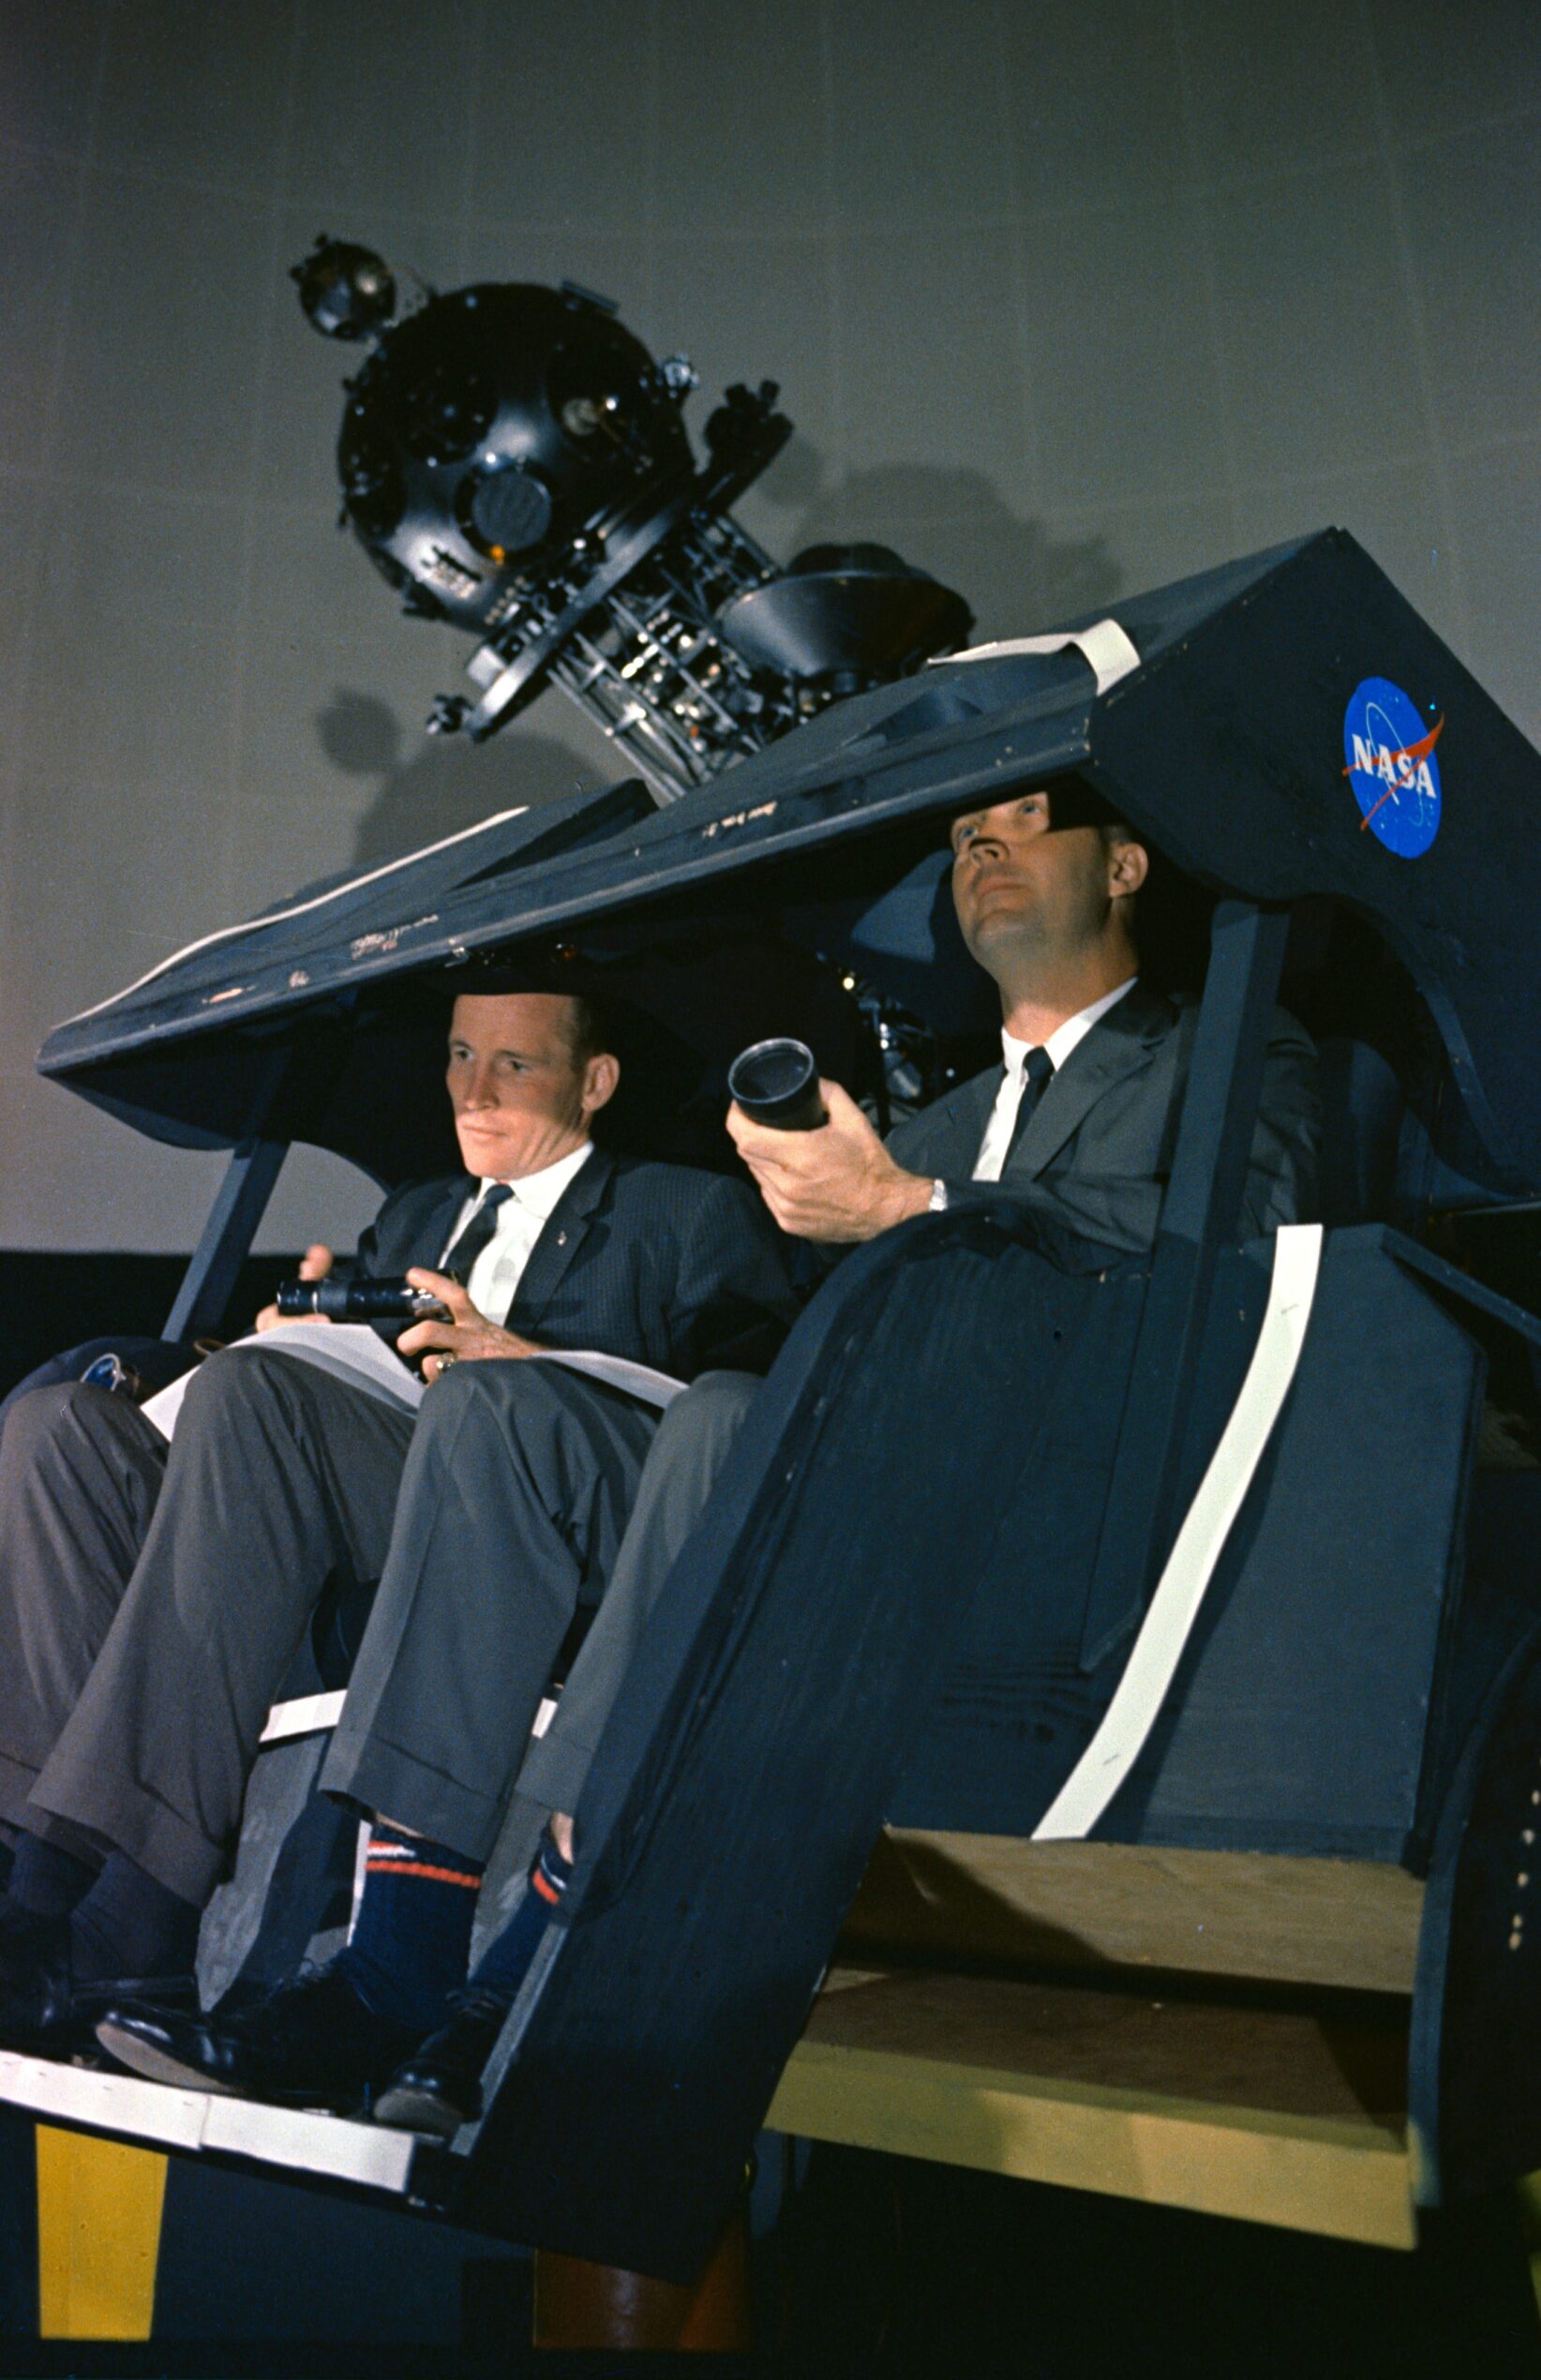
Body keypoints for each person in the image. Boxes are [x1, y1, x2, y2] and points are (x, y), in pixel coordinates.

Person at [99, 777, 1320, 2124]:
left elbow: (1240, 1266)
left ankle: (526, 1970)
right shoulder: (924, 1122)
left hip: (1040, 1527)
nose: (980, 843)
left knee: (725, 1420)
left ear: (1129, 864)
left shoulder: (1239, 1064)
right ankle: (396, 1966)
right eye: (966, 831)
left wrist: (917, 1208)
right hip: (818, 1496)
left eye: (1025, 821)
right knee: (512, 1411)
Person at [0, 978, 801, 2047]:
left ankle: (132, 1906)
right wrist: (280, 1337)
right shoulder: (417, 1213)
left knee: (347, 1404)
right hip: (372, 1485)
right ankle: (42, 1871)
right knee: (57, 1429)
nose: (476, 1090)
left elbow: (731, 1415)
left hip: (544, 1519)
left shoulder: (683, 1212)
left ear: (595, 1081)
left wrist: (524, 1359)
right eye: (462, 1057)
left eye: (515, 1063)